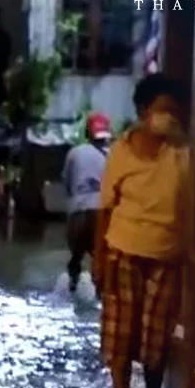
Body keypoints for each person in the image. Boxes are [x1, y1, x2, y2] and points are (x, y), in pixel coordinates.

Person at [93, 74, 192, 388]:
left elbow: (192, 204)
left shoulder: (183, 154)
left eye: (174, 111)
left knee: (157, 336)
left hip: (166, 256)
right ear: (143, 111)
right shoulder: (121, 150)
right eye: (161, 109)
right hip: (123, 250)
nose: (167, 117)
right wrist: (99, 259)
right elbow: (106, 208)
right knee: (120, 334)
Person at [63, 112, 113, 295]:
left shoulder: (74, 153)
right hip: (102, 212)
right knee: (100, 261)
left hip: (78, 210)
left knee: (75, 257)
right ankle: (101, 298)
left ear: (87, 132)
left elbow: (67, 184)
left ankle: (72, 289)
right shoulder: (115, 155)